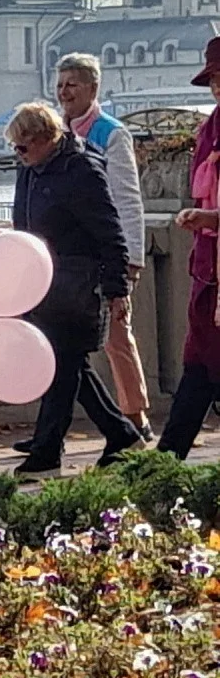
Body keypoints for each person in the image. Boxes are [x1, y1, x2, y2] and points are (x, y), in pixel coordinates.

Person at [6, 103, 145, 479]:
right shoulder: (31, 169)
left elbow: (109, 231)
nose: (19, 154)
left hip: (77, 284)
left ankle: (47, 452)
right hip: (44, 284)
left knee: (62, 367)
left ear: (45, 138)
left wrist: (117, 289)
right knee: (71, 366)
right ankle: (121, 434)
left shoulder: (82, 169)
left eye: (23, 146)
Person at [51, 53, 151, 441]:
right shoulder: (54, 130)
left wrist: (131, 258)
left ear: (93, 88)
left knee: (117, 337)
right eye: (60, 85)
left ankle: (136, 416)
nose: (64, 92)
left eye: (72, 84)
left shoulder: (112, 133)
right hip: (70, 258)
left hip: (106, 255)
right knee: (65, 344)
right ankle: (52, 431)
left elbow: (127, 199)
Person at [157, 37, 220, 458]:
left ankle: (167, 459)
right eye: (213, 80)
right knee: (199, 361)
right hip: (210, 268)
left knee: (202, 365)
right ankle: (166, 461)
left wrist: (212, 218)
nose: (216, 88)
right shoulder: (210, 129)